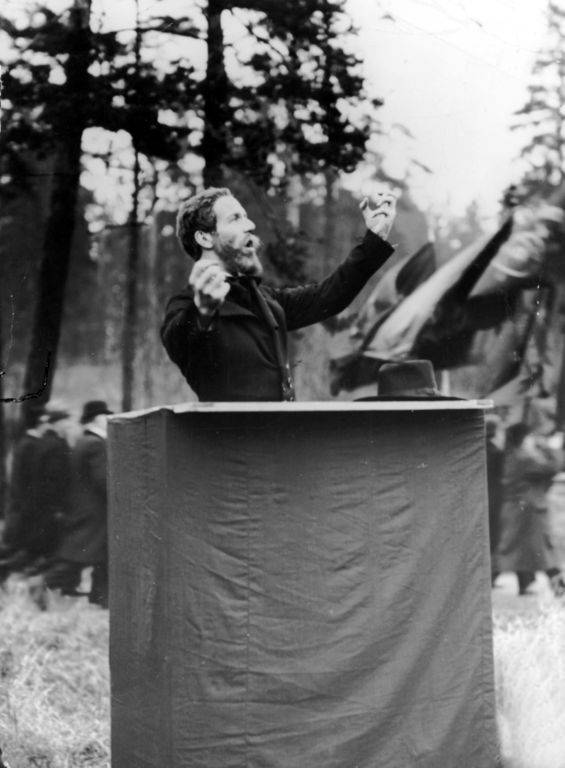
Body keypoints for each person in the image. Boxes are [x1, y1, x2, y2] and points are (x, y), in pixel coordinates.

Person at [161, 186, 397, 401]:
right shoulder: (187, 304)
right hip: (227, 435)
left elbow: (328, 296)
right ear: (204, 237)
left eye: (245, 216)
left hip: (281, 432)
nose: (250, 225)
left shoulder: (265, 299)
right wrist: (203, 312)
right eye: (235, 218)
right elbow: (179, 339)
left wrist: (374, 240)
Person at [44, 400, 112, 607]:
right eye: (105, 416)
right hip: (95, 511)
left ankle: (101, 597)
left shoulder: (84, 441)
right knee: (80, 555)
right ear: (96, 419)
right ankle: (46, 584)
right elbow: (104, 480)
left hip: (86, 509)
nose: (108, 419)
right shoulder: (96, 444)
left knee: (98, 555)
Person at [494, 422, 565, 596]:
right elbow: (554, 466)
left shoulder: (513, 455)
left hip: (517, 509)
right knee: (544, 550)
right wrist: (548, 446)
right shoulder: (525, 458)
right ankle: (559, 587)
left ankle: (525, 585)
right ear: (523, 439)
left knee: (519, 550)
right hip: (530, 511)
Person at [0, 407, 72, 576]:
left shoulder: (34, 443)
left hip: (31, 506)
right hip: (37, 507)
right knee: (35, 551)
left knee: (31, 550)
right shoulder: (40, 445)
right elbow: (48, 480)